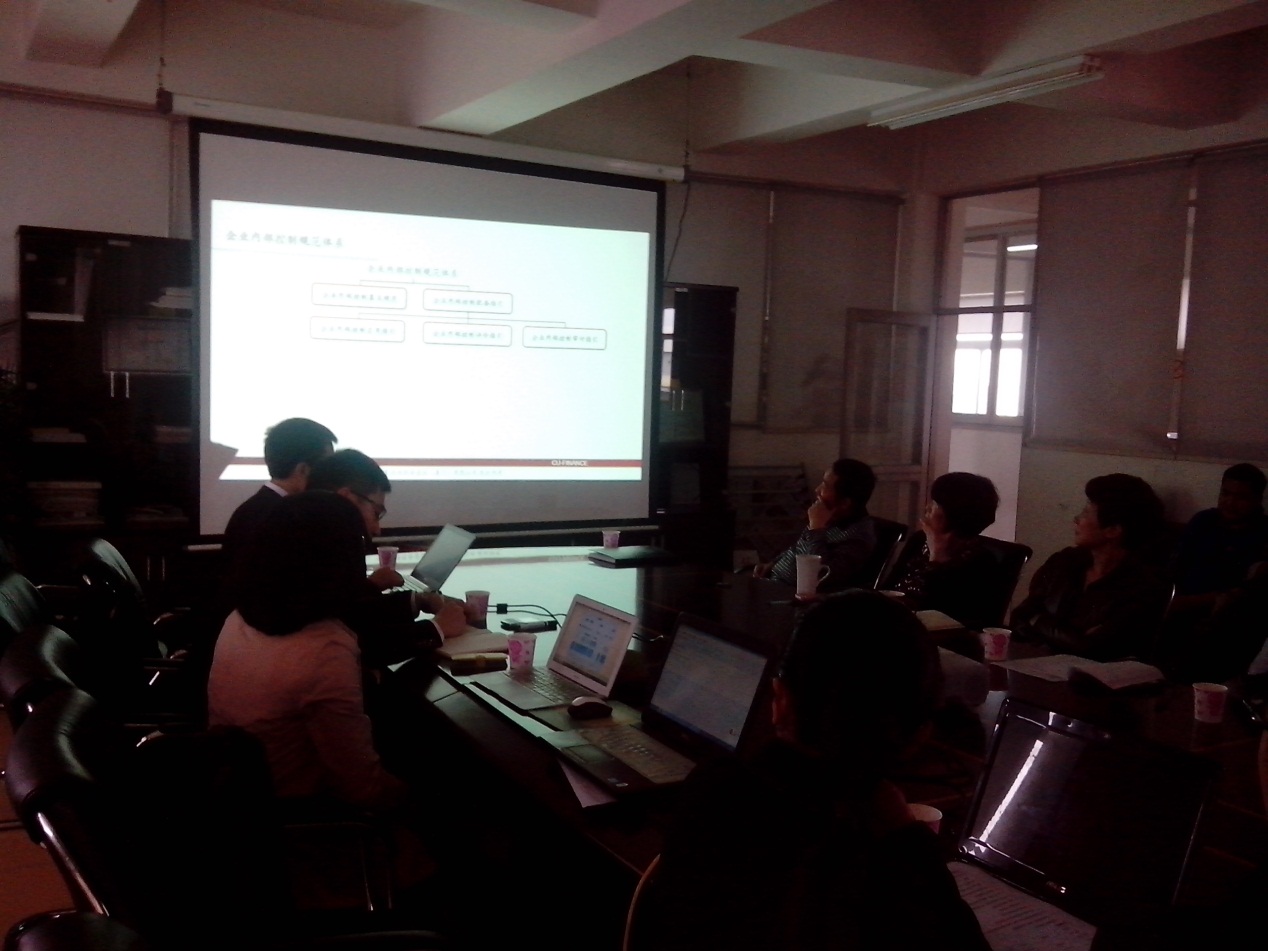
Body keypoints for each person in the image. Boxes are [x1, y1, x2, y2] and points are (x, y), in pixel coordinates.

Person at [636, 591, 989, 951]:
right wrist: (908, 838)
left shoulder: (713, 790)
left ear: (780, 700)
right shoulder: (901, 870)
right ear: (919, 735)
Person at [208, 490, 406, 811]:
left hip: (234, 797)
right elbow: (362, 790)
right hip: (300, 818)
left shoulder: (240, 618)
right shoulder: (324, 649)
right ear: (340, 560)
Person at [305, 448, 467, 664]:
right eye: (376, 513)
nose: (377, 529)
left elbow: (350, 611)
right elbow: (359, 642)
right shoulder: (319, 550)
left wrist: (416, 601)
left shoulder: (309, 536)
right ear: (346, 499)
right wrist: (437, 628)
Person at [1011, 473, 1170, 661]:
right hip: (1037, 665)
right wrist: (1069, 636)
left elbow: (1094, 649)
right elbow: (1019, 618)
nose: (1077, 519)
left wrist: (1038, 621)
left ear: (1113, 530)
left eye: (1086, 512)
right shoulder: (1064, 562)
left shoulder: (1143, 586)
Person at [888, 472, 1004, 631]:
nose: (927, 508)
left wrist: (938, 558)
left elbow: (941, 613)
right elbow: (889, 586)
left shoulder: (982, 561)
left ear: (955, 513)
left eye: (935, 503)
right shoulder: (919, 540)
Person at [221, 417, 336, 570]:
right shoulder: (289, 518)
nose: (331, 476)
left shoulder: (250, 510)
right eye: (327, 468)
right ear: (303, 470)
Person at [754, 458, 879, 593]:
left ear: (845, 503)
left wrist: (816, 528)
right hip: (773, 583)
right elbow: (799, 548)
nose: (817, 490)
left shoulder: (858, 538)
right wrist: (773, 564)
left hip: (793, 598)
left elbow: (819, 575)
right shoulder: (832, 517)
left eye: (825, 486)